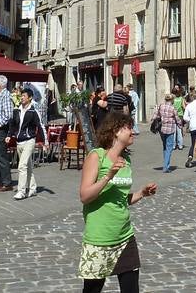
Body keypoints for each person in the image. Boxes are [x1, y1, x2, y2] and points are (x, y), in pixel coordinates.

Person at [78, 111, 157, 293]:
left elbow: (121, 199)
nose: (133, 132)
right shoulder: (97, 156)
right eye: (129, 128)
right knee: (92, 290)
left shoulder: (126, 160)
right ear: (115, 130)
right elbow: (85, 196)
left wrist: (142, 193)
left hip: (125, 237)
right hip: (99, 238)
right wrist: (108, 176)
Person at [8, 86, 47, 200]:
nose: (22, 98)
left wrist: (45, 141)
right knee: (28, 166)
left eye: (24, 96)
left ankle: (21, 191)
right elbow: (13, 125)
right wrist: (9, 135)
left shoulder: (33, 112)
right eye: (21, 96)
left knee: (22, 166)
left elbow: (40, 126)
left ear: (30, 98)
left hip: (29, 140)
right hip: (19, 142)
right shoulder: (17, 110)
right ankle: (33, 188)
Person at [153, 93, 179, 172]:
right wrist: (181, 126)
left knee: (165, 147)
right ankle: (166, 167)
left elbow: (156, 115)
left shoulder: (161, 106)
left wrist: (154, 120)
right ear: (172, 100)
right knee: (169, 148)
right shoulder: (173, 108)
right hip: (170, 129)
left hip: (162, 129)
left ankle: (166, 164)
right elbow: (177, 119)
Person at [171, 86, 186, 150]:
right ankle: (180, 145)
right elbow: (184, 106)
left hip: (174, 115)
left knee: (174, 131)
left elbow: (171, 106)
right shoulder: (181, 98)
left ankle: (173, 145)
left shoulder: (173, 99)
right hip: (180, 115)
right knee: (179, 131)